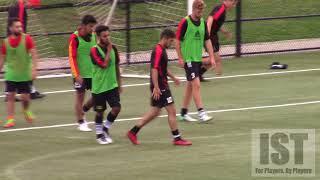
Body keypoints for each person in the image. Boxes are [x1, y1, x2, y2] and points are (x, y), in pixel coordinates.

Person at [127, 29, 192, 146]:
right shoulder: (158, 51)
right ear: (166, 38)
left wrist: (173, 78)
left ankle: (133, 132)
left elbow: (162, 68)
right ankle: (177, 138)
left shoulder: (162, 50)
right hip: (160, 86)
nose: (171, 44)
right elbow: (154, 69)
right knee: (172, 111)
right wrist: (156, 87)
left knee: (154, 112)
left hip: (160, 85)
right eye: (171, 41)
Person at [176, 0, 216, 122]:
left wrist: (212, 57)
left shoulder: (203, 23)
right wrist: (180, 57)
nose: (200, 12)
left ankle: (183, 113)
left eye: (202, 10)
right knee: (196, 84)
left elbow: (207, 41)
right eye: (199, 10)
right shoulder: (185, 22)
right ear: (193, 9)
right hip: (188, 59)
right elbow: (177, 41)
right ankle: (201, 113)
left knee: (190, 85)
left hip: (197, 59)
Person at [0, 18, 38, 128]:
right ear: (10, 28)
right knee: (10, 96)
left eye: (20, 26)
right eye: (17, 26)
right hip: (11, 74)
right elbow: (2, 59)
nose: (20, 28)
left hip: (24, 74)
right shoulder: (5, 42)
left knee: (25, 98)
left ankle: (26, 110)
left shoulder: (27, 38)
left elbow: (34, 54)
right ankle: (10, 119)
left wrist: (34, 69)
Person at [5, 0, 45, 101]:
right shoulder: (19, 9)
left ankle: (28, 91)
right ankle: (28, 92)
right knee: (23, 66)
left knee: (20, 66)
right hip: (16, 43)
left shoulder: (19, 8)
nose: (31, 7)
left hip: (16, 42)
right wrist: (21, 42)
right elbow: (16, 28)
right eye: (31, 4)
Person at [90, 25, 122, 145]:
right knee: (100, 112)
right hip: (99, 87)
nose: (107, 38)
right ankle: (99, 135)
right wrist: (108, 50)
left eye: (108, 35)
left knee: (117, 108)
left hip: (112, 85)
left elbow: (116, 65)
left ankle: (105, 129)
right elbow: (104, 65)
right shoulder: (94, 50)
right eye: (104, 36)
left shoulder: (114, 48)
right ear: (98, 37)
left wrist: (119, 83)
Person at [69, 15, 97, 132]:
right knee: (80, 97)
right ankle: (81, 122)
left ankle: (84, 110)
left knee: (98, 96)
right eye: (90, 26)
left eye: (93, 26)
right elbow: (72, 57)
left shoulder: (94, 36)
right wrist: (76, 74)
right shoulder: (74, 38)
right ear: (83, 26)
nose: (92, 29)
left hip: (93, 73)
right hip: (80, 74)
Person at [200, 0, 238, 80]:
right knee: (214, 59)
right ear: (227, 1)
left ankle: (199, 74)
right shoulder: (220, 8)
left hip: (214, 36)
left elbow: (217, 23)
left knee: (215, 59)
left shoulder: (223, 10)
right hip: (210, 36)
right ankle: (193, 62)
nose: (234, 6)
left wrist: (225, 32)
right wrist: (208, 34)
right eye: (233, 3)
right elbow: (210, 19)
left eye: (235, 4)